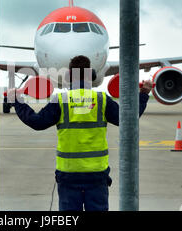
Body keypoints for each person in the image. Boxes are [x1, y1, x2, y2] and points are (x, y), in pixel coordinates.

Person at [8, 55, 152, 211]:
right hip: (96, 174)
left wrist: (17, 100)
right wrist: (144, 93)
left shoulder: (61, 100)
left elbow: (36, 122)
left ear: (69, 76)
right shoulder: (102, 99)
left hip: (68, 174)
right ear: (92, 76)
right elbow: (129, 119)